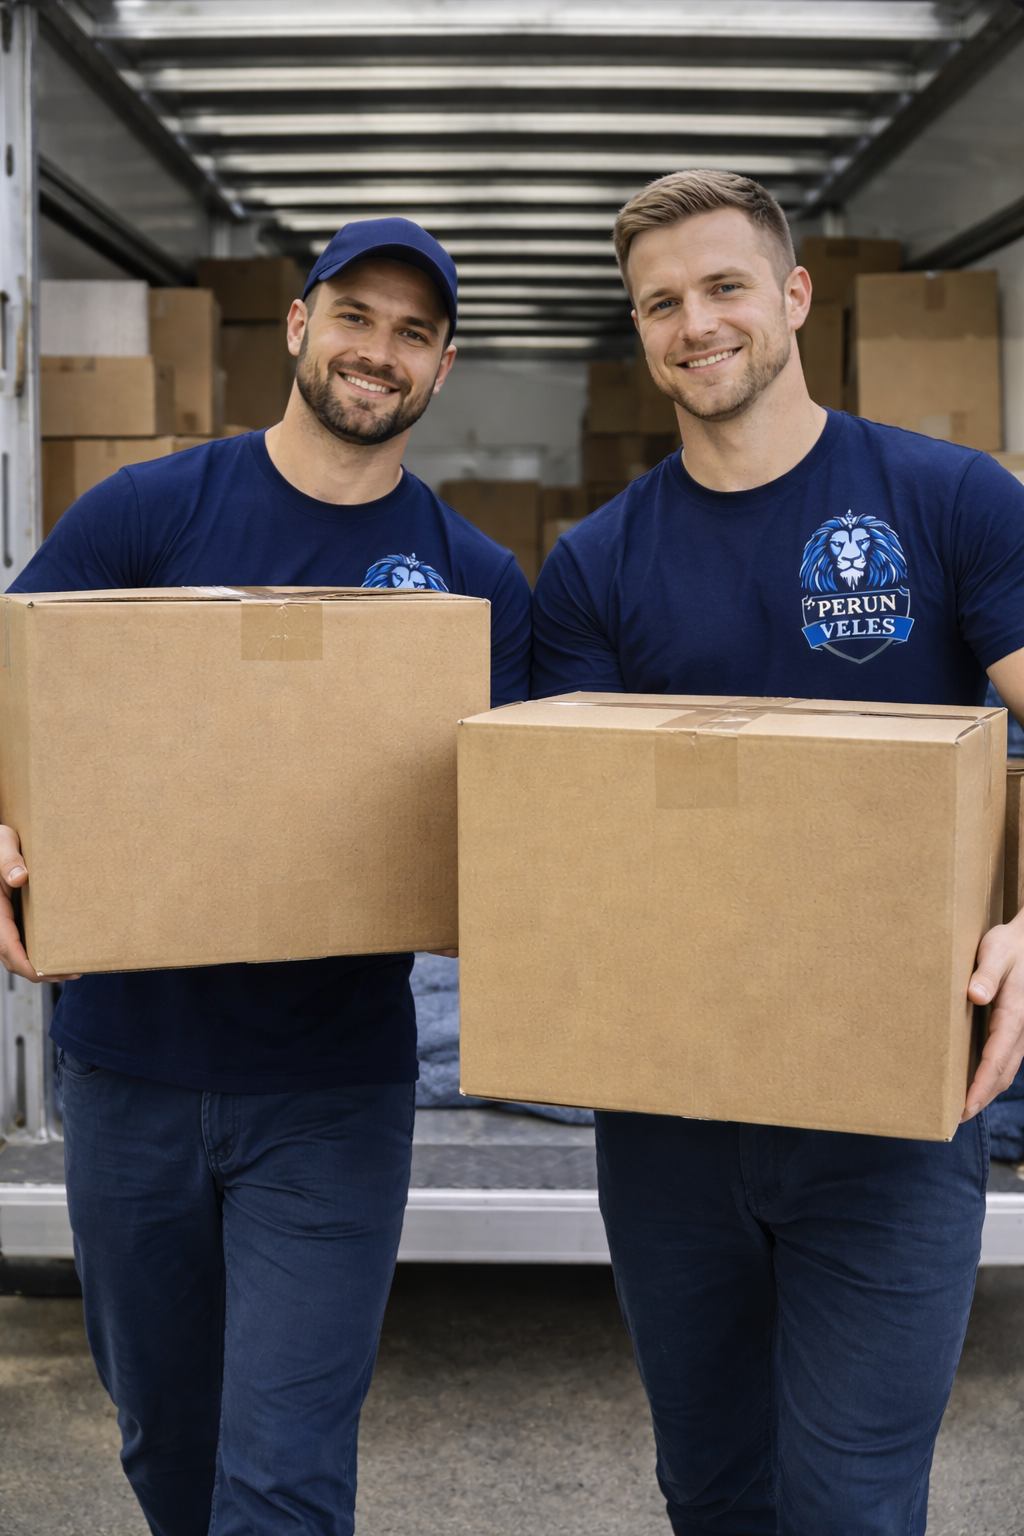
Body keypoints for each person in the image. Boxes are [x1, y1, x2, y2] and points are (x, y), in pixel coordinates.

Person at [0, 218, 530, 1536]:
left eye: (414, 333)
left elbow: (525, 823)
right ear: (299, 325)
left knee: (283, 1474)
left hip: (331, 1088)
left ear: (443, 367)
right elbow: (18, 695)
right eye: (355, 316)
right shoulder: (150, 513)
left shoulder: (474, 583)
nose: (379, 351)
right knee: (164, 1442)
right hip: (129, 1066)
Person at [532, 170, 1024, 1536]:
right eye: (661, 304)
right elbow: (566, 832)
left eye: (724, 286)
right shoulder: (595, 566)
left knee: (851, 1505)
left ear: (795, 295)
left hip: (892, 1103)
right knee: (713, 1493)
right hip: (668, 1115)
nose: (695, 324)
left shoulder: (952, 501)